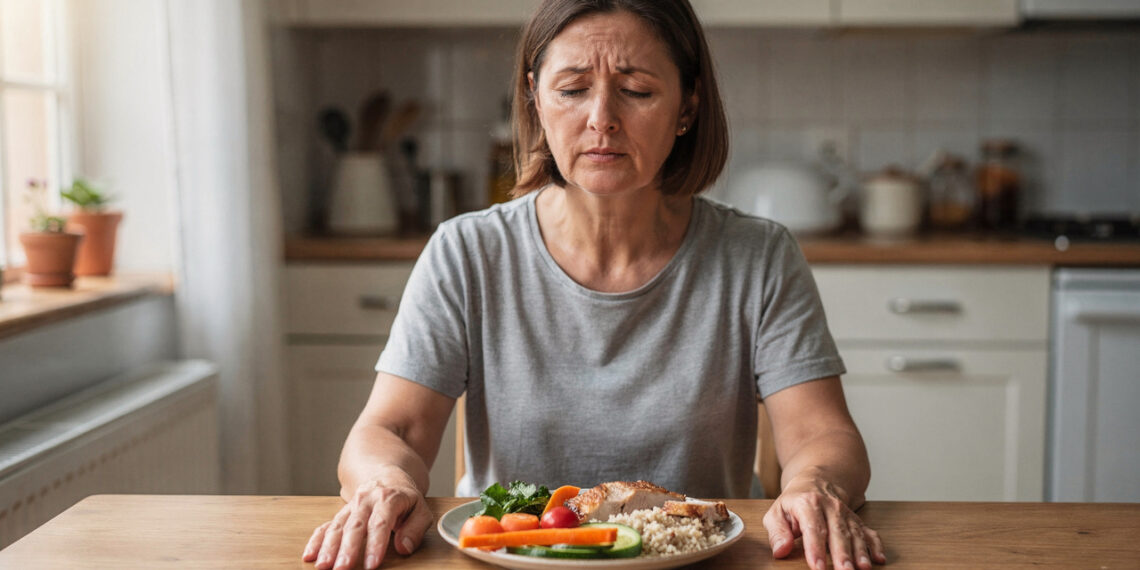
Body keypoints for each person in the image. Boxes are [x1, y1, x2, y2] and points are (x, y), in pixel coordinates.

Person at [302, 1, 885, 569]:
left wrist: (813, 485)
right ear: (535, 96)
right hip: (510, 557)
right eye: (573, 88)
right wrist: (385, 480)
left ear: (688, 106)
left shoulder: (758, 256)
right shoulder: (466, 252)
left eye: (636, 91)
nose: (601, 118)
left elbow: (821, 434)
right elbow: (391, 429)